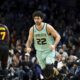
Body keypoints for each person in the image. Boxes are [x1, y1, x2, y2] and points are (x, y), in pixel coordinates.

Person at [26, 11, 61, 80]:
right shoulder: (32, 29)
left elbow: (58, 36)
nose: (36, 20)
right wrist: (28, 47)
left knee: (49, 67)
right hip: (39, 52)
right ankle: (60, 76)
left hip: (49, 51)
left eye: (38, 18)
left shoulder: (47, 27)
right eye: (35, 19)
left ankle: (59, 76)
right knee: (46, 73)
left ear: (41, 19)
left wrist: (54, 45)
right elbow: (29, 40)